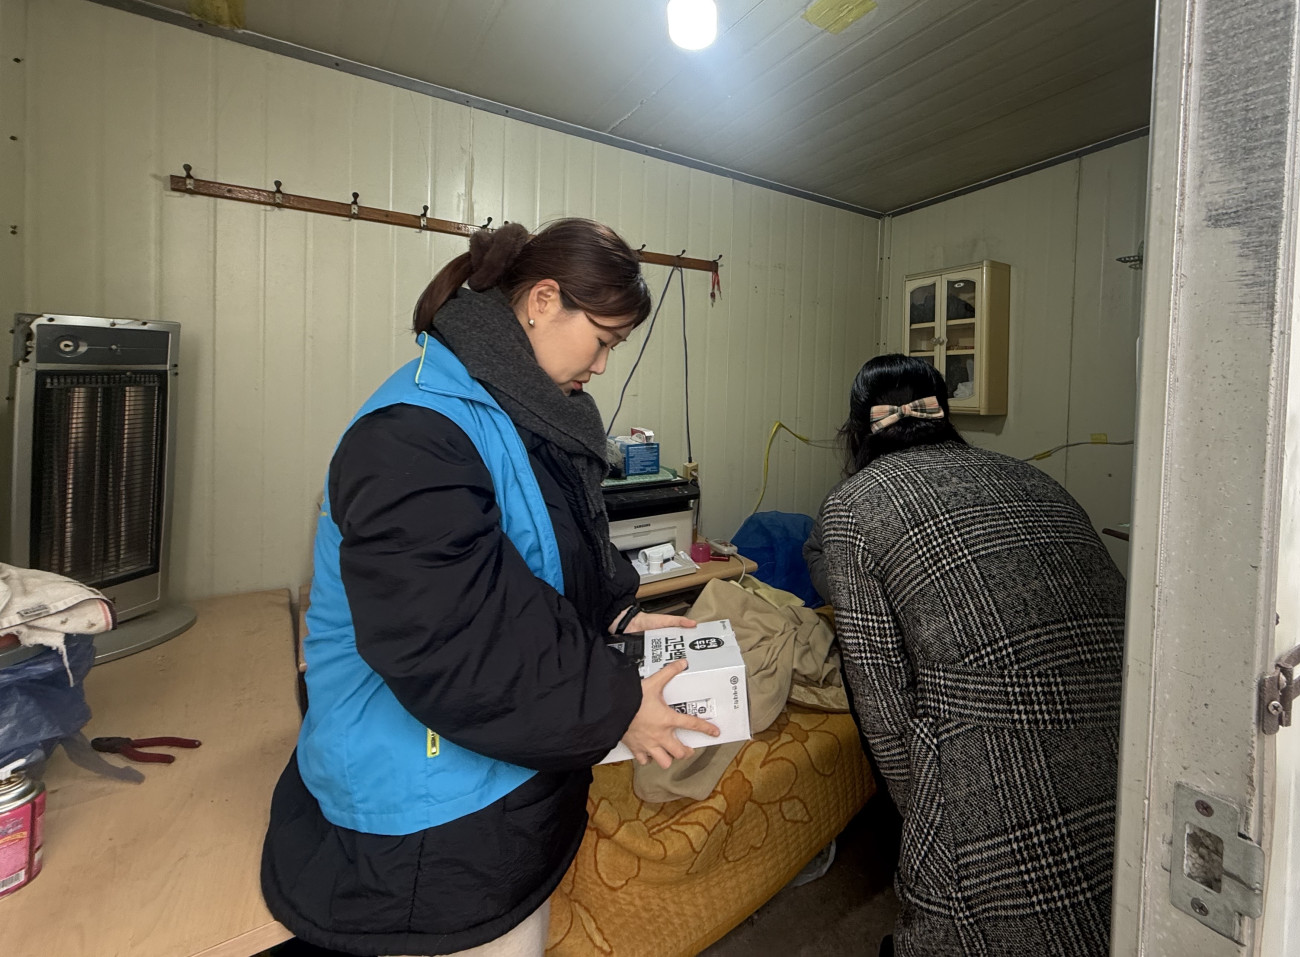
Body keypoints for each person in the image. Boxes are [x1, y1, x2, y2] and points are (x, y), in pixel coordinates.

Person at [261, 218, 717, 957]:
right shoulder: (412, 435)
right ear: (542, 301)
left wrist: (615, 614)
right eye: (603, 339)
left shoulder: (521, 411)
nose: (604, 365)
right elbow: (460, 640)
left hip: (497, 776)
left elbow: (546, 552)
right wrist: (618, 706)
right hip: (425, 812)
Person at [816, 354, 1125, 957]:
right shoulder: (1033, 476)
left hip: (991, 759)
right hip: (1123, 730)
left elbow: (878, 696)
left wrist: (925, 818)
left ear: (856, 429)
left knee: (979, 925)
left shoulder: (853, 504)